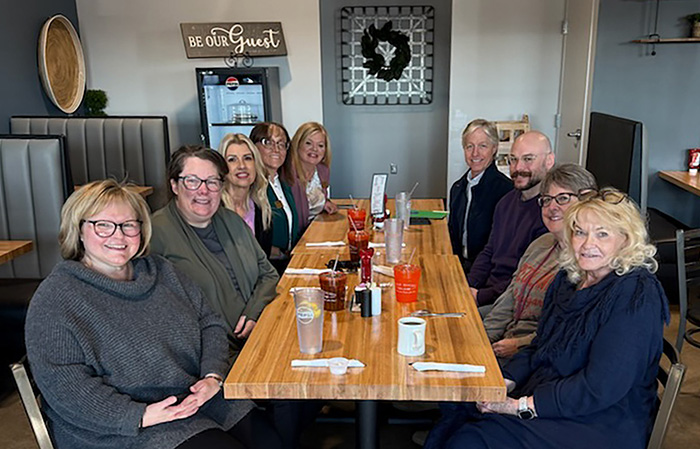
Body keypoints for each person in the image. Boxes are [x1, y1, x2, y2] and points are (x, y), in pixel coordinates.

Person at [24, 180, 281, 449]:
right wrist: (139, 415)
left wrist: (213, 376)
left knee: (275, 442)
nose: (118, 236)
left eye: (128, 225)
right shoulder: (56, 298)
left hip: (197, 397)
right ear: (78, 230)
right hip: (119, 428)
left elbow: (210, 323)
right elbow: (65, 386)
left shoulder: (160, 270)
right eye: (102, 225)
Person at [425, 187, 669, 449]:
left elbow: (601, 388)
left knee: (472, 441)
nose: (588, 244)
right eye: (580, 232)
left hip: (600, 421)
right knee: (464, 401)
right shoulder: (569, 278)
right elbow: (541, 345)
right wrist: (504, 380)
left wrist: (520, 406)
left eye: (602, 234)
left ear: (625, 240)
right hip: (554, 393)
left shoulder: (636, 294)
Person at [150, 145, 279, 356]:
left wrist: (254, 312)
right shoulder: (156, 233)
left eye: (212, 181)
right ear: (174, 185)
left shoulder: (232, 222)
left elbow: (268, 274)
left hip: (262, 335)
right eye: (192, 181)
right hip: (213, 359)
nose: (203, 190)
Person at [483, 164, 597, 364]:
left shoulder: (588, 260)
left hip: (534, 356)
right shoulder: (541, 244)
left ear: (586, 202)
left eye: (562, 198)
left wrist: (520, 343)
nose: (552, 207)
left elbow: (567, 331)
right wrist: (484, 337)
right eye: (546, 200)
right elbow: (510, 298)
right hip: (506, 341)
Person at [468, 131, 555, 309]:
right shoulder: (505, 202)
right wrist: (468, 286)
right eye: (513, 160)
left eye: (528, 159)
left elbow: (527, 280)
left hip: (511, 301)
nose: (518, 167)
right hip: (488, 292)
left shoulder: (551, 214)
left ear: (549, 161)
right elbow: (489, 252)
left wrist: (480, 296)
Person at [448, 119, 513, 272]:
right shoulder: (457, 188)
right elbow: (453, 234)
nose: (475, 153)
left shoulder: (506, 191)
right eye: (469, 146)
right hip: (459, 265)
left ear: (494, 149)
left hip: (486, 272)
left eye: (483, 146)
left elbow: (500, 246)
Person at [250, 122, 300, 273]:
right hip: (267, 269)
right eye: (267, 142)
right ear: (253, 146)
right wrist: (279, 253)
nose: (276, 149)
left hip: (287, 264)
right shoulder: (251, 186)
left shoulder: (282, 182)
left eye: (281, 144)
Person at [218, 133, 273, 256]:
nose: (242, 166)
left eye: (247, 158)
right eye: (232, 160)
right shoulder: (214, 211)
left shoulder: (262, 210)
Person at [282, 122, 338, 231]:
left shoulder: (323, 170)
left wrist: (325, 203)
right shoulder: (287, 173)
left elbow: (316, 197)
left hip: (317, 229)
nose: (315, 149)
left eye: (320, 145)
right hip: (296, 237)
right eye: (308, 143)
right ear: (297, 144)